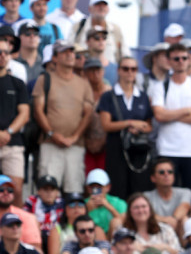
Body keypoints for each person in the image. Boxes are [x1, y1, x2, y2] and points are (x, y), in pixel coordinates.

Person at [149, 43, 191, 198]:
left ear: (190, 60)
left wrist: (171, 114)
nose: (181, 61)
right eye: (176, 59)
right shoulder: (160, 87)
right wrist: (187, 110)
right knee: (166, 192)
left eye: (184, 58)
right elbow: (159, 116)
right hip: (168, 149)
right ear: (169, 61)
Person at [32, 41, 93, 194]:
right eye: (64, 52)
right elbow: (38, 110)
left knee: (74, 191)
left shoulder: (84, 84)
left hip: (76, 145)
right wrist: (52, 134)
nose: (70, 55)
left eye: (72, 52)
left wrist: (75, 137)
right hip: (50, 143)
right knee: (47, 190)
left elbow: (88, 114)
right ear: (55, 58)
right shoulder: (45, 79)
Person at [96, 55, 155, 198]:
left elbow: (149, 126)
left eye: (133, 69)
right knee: (118, 189)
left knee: (138, 190)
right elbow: (106, 125)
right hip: (117, 148)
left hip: (138, 149)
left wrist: (138, 128)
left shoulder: (142, 96)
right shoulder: (108, 96)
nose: (130, 72)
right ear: (119, 71)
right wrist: (130, 123)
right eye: (126, 68)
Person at [0, 31, 30, 200]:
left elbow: (24, 114)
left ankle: (15, 225)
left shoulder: (17, 83)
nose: (3, 56)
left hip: (13, 142)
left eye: (6, 52)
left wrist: (8, 133)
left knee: (16, 191)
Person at [146, 160, 191, 238]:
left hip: (178, 232)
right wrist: (166, 220)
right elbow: (145, 215)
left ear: (174, 176)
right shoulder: (146, 196)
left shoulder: (186, 192)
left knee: (184, 219)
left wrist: (173, 220)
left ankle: (187, 249)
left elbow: (184, 207)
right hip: (156, 234)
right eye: (162, 172)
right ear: (153, 178)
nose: (166, 174)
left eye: (170, 172)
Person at [83, 169, 126, 235]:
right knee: (97, 230)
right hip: (93, 239)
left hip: (114, 240)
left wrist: (109, 207)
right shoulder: (82, 204)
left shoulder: (118, 203)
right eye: (92, 187)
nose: (96, 190)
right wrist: (86, 211)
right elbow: (75, 225)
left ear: (108, 187)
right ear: (87, 188)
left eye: (99, 187)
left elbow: (125, 224)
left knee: (116, 222)